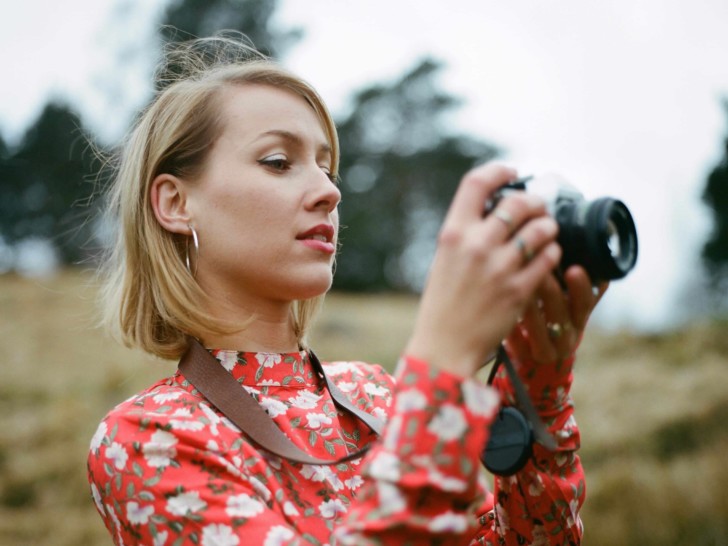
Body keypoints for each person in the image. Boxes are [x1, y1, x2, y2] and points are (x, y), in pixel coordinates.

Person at [87, 33, 606, 546]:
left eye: (327, 168)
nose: (330, 191)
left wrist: (538, 381)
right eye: (277, 162)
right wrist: (443, 363)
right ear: (176, 203)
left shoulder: (376, 394)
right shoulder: (147, 440)